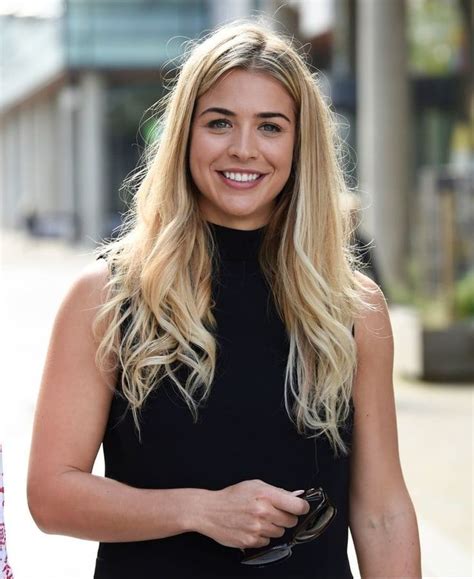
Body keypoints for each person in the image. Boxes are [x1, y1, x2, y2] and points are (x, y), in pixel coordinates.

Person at [27, 20, 421, 579]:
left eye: (270, 127)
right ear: (184, 134)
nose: (244, 149)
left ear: (299, 144)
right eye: (219, 122)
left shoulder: (353, 308)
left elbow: (381, 512)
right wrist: (201, 510)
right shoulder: (107, 298)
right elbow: (51, 496)